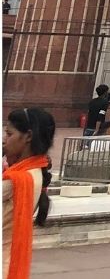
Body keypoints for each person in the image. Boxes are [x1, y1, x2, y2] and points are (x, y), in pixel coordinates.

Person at [3, 106, 56, 279]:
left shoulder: (15, 179)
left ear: (28, 136)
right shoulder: (35, 172)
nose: (4, 140)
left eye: (9, 134)